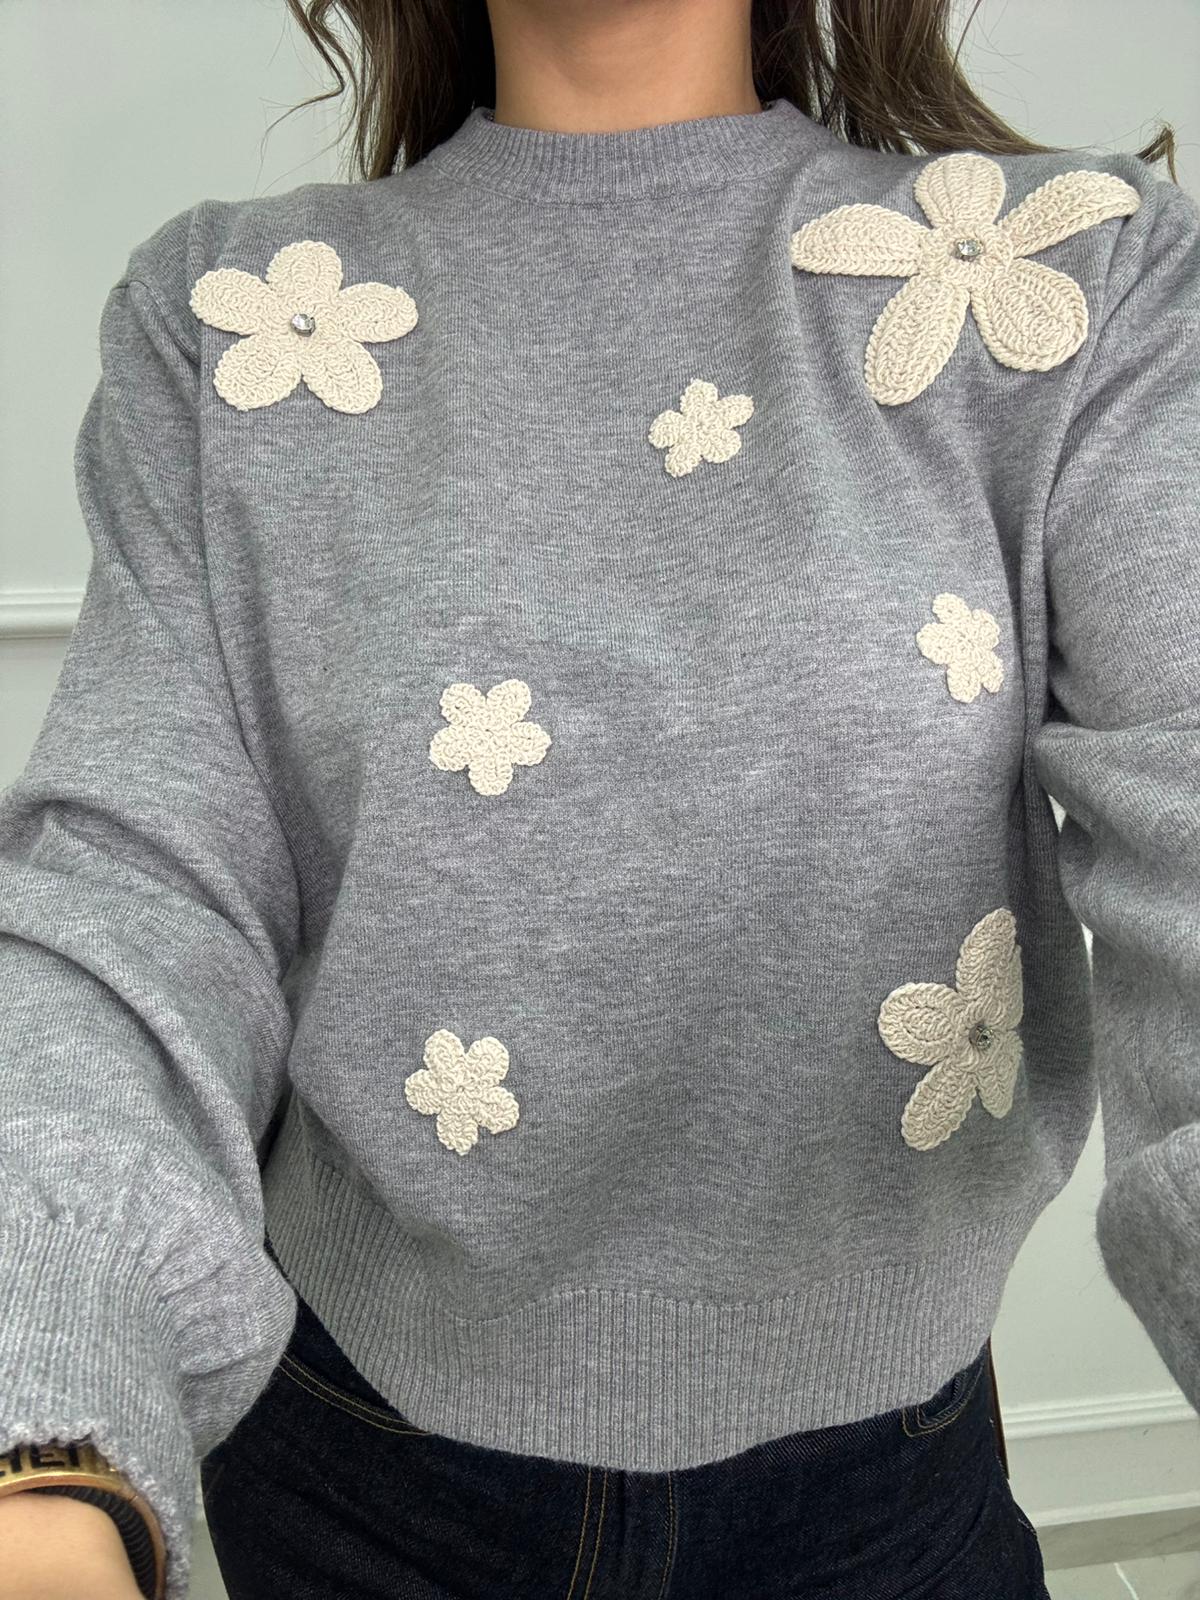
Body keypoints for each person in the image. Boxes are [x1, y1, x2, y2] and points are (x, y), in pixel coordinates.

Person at [1, 0, 1196, 1596]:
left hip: (889, 1504)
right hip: (354, 1483)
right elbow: (134, 893)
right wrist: (43, 1433)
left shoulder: (1070, 280)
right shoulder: (233, 321)